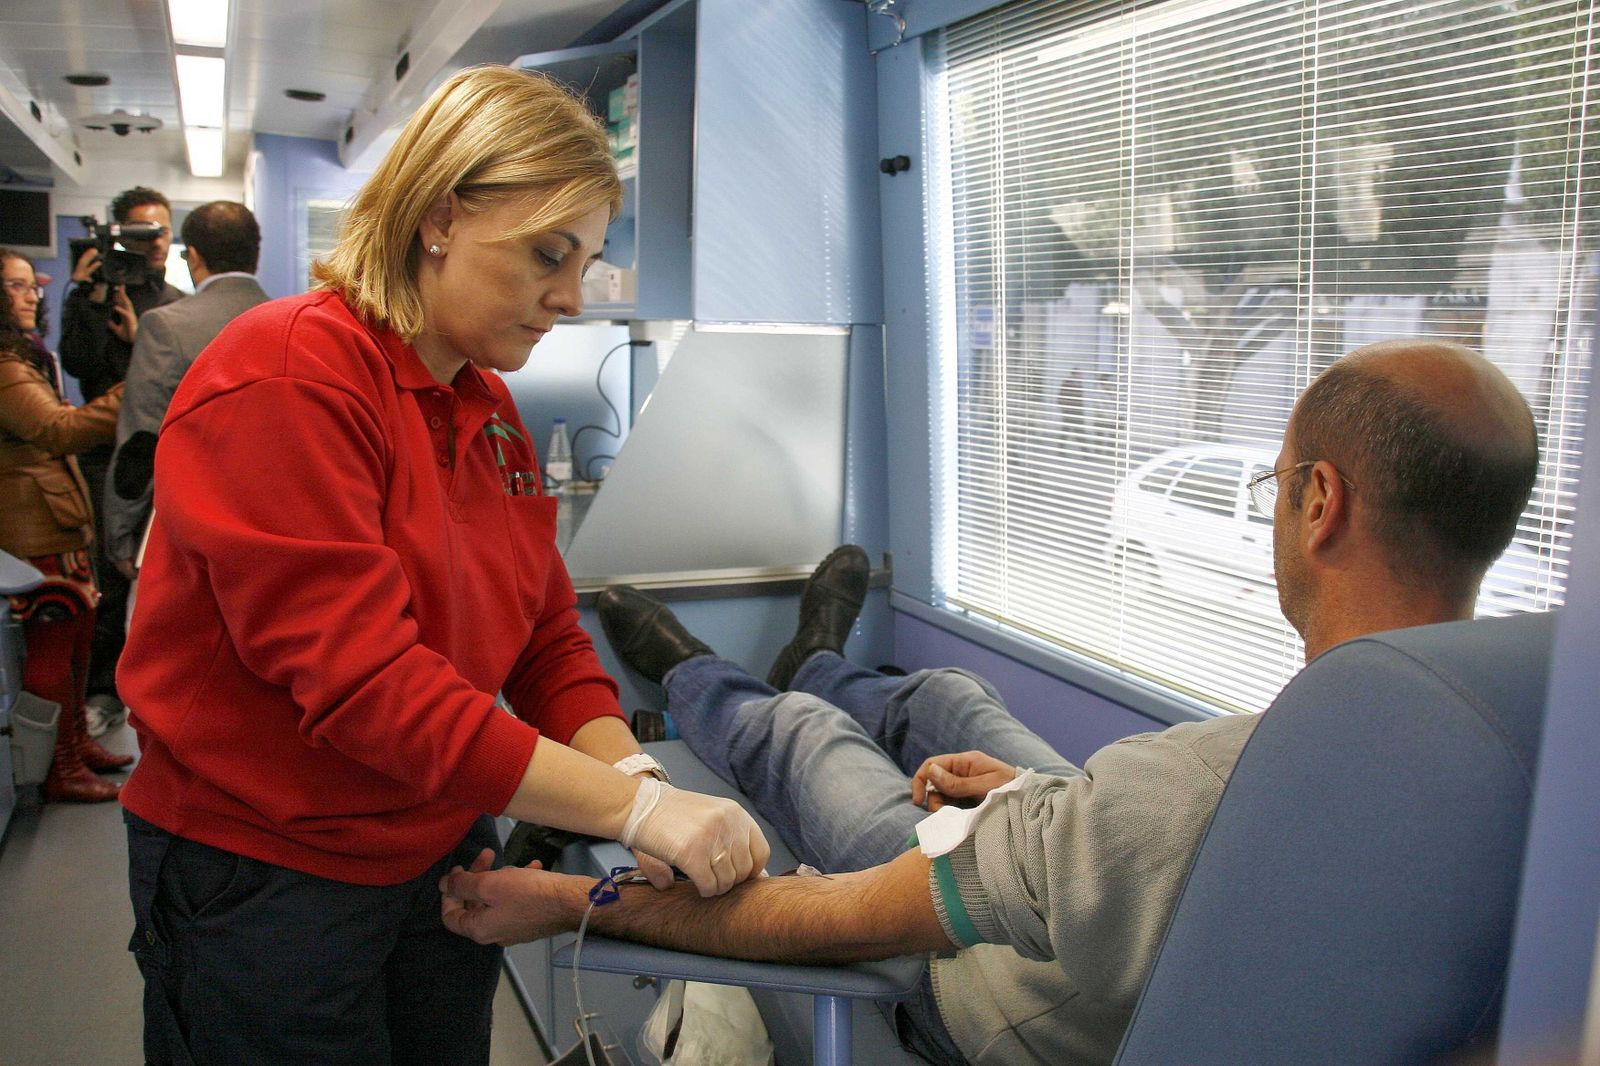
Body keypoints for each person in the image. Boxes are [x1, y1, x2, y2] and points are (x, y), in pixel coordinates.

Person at [440, 338, 1541, 1066]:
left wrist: (564, 899)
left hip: (990, 982)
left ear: (1319, 502)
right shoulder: (1512, 758)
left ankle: (694, 670)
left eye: (1275, 485)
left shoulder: (1183, 792)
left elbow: (825, 916)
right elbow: (1150, 850)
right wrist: (1037, 805)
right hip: (1108, 874)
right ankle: (816, 653)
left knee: (809, 738)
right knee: (952, 696)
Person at [117, 66, 769, 1066]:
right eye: (548, 254)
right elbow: (368, 686)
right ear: (437, 217)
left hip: (437, 857)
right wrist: (638, 808)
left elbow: (543, 641)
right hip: (267, 873)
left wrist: (632, 774)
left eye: (589, 261)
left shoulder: (485, 405)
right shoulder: (288, 375)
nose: (570, 297)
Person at [0, 248, 131, 802]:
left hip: (52, 522)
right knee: (54, 653)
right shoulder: (6, 368)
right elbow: (58, 430)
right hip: (33, 530)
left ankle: (76, 746)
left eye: (32, 285)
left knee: (76, 643)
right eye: (15, 286)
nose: (31, 295)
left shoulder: (22, 357)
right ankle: (60, 768)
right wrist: (133, 385)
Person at [58, 185, 183, 736]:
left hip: (159, 456)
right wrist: (89, 297)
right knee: (108, 582)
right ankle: (101, 692)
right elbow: (81, 366)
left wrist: (140, 344)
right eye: (140, 233)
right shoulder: (92, 295)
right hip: (102, 453)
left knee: (166, 583)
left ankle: (161, 694)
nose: (153, 242)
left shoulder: (176, 304)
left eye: (161, 231)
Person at [103, 201, 270, 584]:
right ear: (255, 255)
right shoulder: (297, 324)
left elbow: (141, 439)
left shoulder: (166, 327)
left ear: (193, 256)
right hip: (270, 529)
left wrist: (122, 534)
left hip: (189, 536)